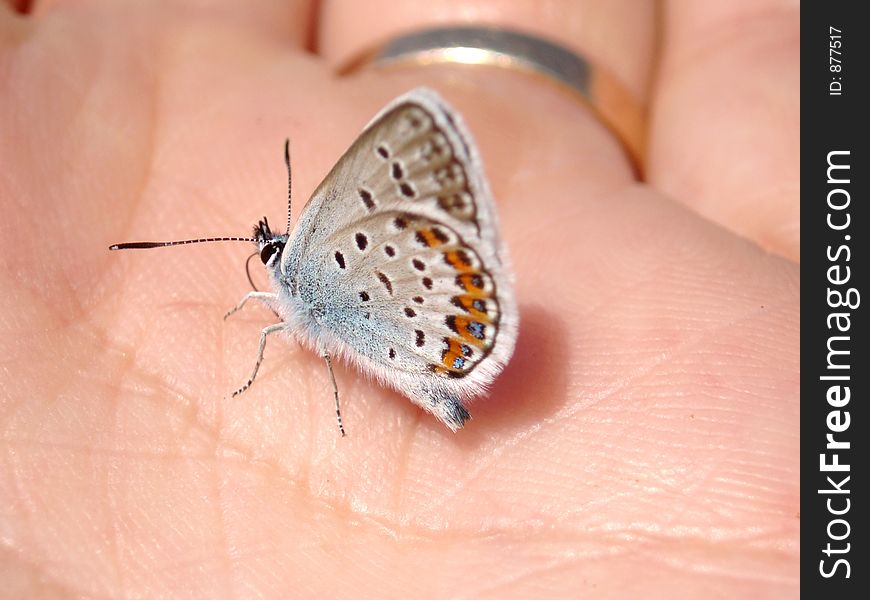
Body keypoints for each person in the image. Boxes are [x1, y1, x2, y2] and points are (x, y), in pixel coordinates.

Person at [0, 0, 798, 597]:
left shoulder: (299, 285)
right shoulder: (296, 286)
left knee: (277, 321)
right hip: (421, 329)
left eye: (271, 252)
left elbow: (281, 321)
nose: (266, 271)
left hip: (423, 332)